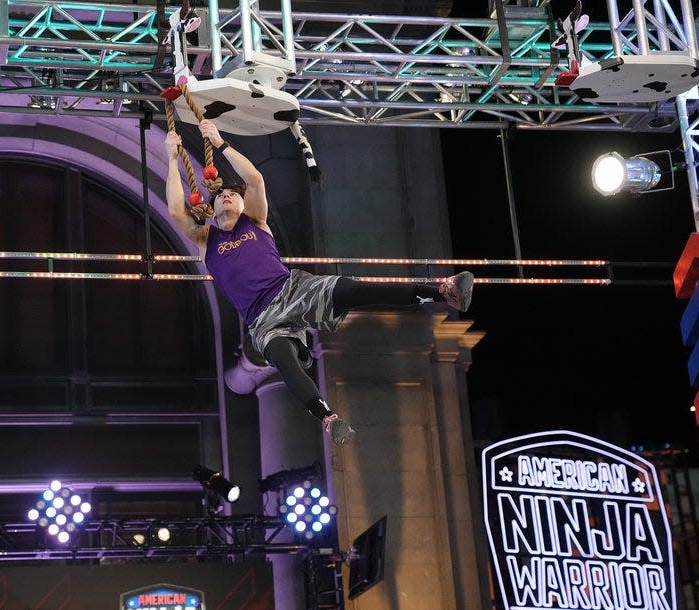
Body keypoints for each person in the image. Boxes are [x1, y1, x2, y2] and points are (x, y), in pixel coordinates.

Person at [165, 120, 473, 448]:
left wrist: (219, 141)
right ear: (211, 210)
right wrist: (172, 157)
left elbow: (254, 179)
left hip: (293, 290)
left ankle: (442, 291)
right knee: (284, 358)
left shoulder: (255, 221)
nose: (227, 196)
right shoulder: (206, 240)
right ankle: (327, 417)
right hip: (263, 320)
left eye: (231, 194)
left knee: (357, 291)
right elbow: (175, 209)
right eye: (222, 196)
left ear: (242, 205)